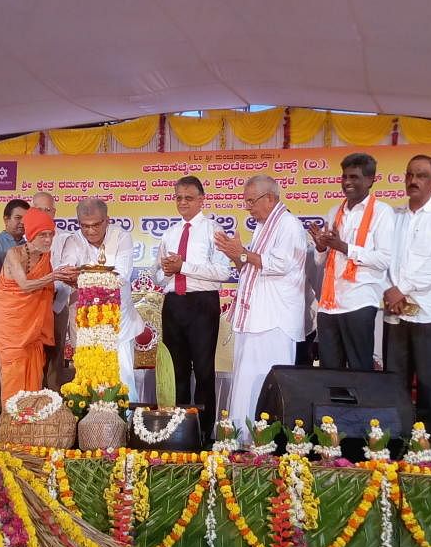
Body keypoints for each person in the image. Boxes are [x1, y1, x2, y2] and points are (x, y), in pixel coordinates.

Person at [215, 175, 306, 437]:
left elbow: (279, 264)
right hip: (255, 318)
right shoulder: (264, 227)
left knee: (264, 381)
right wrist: (235, 255)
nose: (247, 207)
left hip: (273, 320)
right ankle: (242, 435)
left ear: (270, 198)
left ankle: (264, 439)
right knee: (245, 379)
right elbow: (250, 265)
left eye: (251, 201)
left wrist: (242, 253)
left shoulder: (288, 225)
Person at [383, 155, 431, 456]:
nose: (414, 181)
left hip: (428, 313)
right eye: (410, 174)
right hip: (395, 314)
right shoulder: (395, 217)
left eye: (422, 175)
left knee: (430, 385)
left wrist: (401, 290)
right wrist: (390, 291)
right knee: (395, 384)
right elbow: (383, 261)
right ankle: (398, 446)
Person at [156, 176, 231, 438]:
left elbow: (224, 271)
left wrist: (183, 267)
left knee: (203, 369)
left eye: (189, 197)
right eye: (178, 197)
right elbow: (158, 275)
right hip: (174, 303)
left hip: (202, 304)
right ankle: (179, 432)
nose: (183, 202)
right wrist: (166, 271)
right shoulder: (170, 232)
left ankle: (203, 431)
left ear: (202, 200)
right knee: (175, 371)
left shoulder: (214, 230)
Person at [309, 153, 395, 371]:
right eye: (344, 176)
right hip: (329, 305)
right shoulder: (334, 211)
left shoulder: (382, 212)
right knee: (330, 371)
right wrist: (321, 246)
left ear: (370, 180)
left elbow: (384, 258)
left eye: (354, 177)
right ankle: (332, 408)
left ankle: (361, 408)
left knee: (359, 370)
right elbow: (323, 260)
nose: (347, 182)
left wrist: (344, 247)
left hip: (360, 300)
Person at [60, 198, 147, 400]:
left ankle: (125, 423)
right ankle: (91, 426)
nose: (90, 231)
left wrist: (81, 277)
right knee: (88, 375)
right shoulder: (73, 240)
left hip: (118, 321)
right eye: (84, 226)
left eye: (95, 225)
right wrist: (74, 276)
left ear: (107, 220)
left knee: (122, 375)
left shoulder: (121, 236)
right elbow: (65, 272)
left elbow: (122, 275)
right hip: (85, 322)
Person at [0, 209, 76, 403]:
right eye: (43, 235)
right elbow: (25, 285)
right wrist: (54, 275)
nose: (48, 240)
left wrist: (71, 281)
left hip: (34, 329)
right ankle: (10, 424)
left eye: (51, 234)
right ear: (30, 235)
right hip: (12, 325)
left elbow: (47, 288)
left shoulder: (45, 259)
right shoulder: (13, 254)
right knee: (13, 371)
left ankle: (29, 424)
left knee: (34, 370)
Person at [31, 191, 73, 391]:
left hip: (55, 305)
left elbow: (66, 273)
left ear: (54, 212)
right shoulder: (25, 238)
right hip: (28, 308)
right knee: (31, 356)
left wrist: (52, 304)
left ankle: (53, 405)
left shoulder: (65, 239)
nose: (43, 213)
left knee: (54, 357)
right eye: (38, 209)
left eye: (47, 210)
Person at [0, 199, 29, 273]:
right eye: (18, 218)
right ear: (6, 220)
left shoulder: (29, 246)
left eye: (26, 218)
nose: (23, 222)